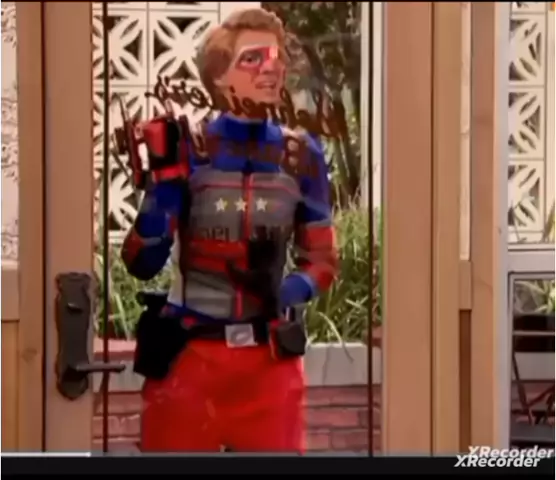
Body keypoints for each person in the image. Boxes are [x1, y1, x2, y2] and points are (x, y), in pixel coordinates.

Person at [121, 7, 338, 453]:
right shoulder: (186, 146)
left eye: (276, 57)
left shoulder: (303, 154)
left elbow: (322, 261)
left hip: (269, 367)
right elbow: (141, 262)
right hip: (189, 363)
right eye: (252, 58)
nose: (271, 68)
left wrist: (288, 290)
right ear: (219, 76)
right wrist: (163, 195)